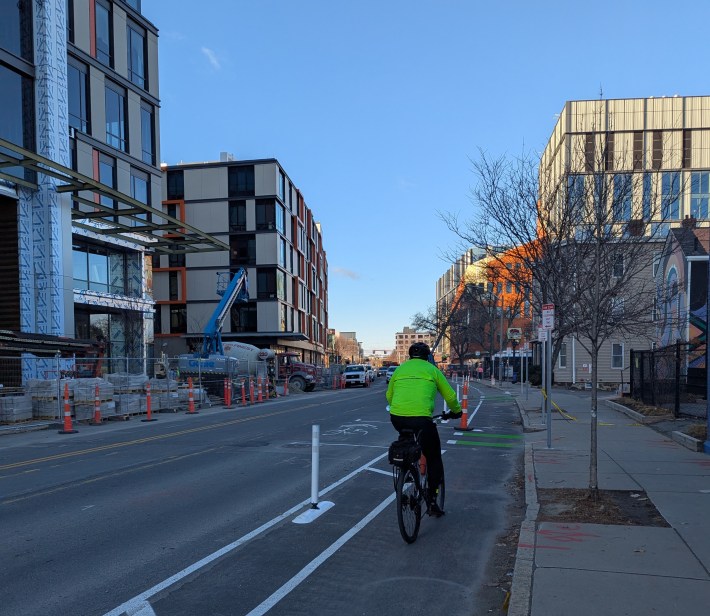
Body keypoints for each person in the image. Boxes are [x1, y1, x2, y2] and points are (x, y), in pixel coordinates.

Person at [386, 342, 462, 517]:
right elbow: (450, 396)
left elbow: (389, 396)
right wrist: (456, 411)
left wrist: (400, 407)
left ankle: (407, 468)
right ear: (428, 356)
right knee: (433, 455)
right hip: (422, 419)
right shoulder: (432, 370)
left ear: (409, 356)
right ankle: (432, 497)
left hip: (397, 417)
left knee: (407, 440)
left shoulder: (399, 369)